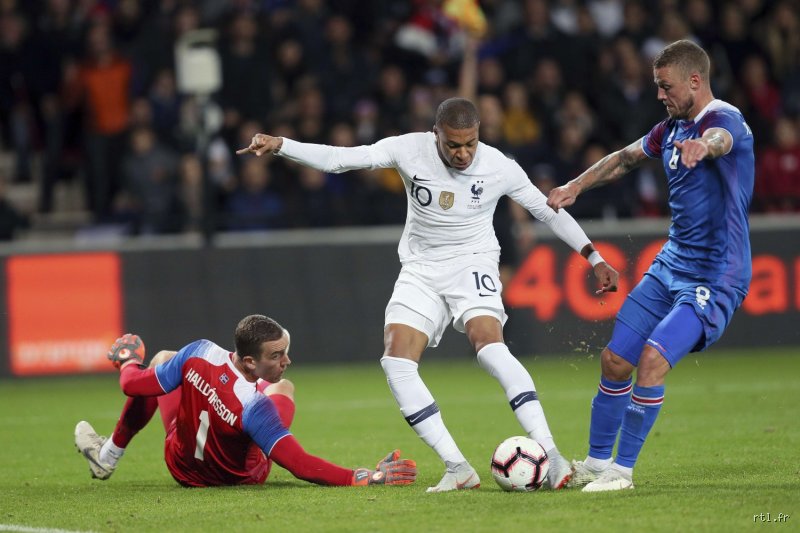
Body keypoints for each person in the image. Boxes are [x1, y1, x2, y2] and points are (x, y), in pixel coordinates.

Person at [236, 97, 619, 492]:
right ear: (435, 134)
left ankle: (551, 454)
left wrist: (594, 257)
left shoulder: (499, 166)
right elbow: (340, 159)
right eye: (453, 144)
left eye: (470, 143)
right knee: (396, 361)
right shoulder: (408, 149)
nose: (463, 153)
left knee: (489, 346)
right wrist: (282, 145)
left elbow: (547, 209)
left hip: (473, 262)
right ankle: (457, 467)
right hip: (421, 268)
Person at [546, 40, 755, 492]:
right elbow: (624, 159)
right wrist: (575, 186)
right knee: (615, 360)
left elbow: (721, 141)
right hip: (670, 265)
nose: (659, 95)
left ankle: (622, 472)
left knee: (652, 360)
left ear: (694, 81)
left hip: (716, 275)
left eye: (666, 86)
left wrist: (705, 147)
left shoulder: (725, 120)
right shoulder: (670, 129)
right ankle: (597, 463)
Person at [74, 314, 416, 488]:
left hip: (181, 466)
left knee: (162, 359)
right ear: (250, 361)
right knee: (284, 388)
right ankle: (264, 437)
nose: (286, 361)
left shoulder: (197, 352)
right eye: (277, 356)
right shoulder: (256, 406)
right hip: (239, 477)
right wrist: (368, 477)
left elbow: (133, 385)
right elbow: (299, 464)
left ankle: (108, 456)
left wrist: (128, 360)